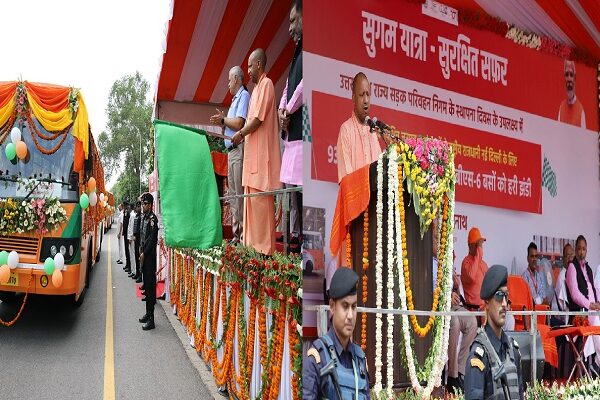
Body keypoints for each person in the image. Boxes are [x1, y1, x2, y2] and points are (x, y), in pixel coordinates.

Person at [232, 48, 282, 256]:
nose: (249, 71)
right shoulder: (255, 91)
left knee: (261, 210)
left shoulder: (267, 85)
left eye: (250, 66)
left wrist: (240, 133)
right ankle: (251, 249)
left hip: (262, 162)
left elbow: (257, 120)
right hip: (252, 163)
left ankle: (264, 252)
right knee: (251, 209)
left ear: (259, 65)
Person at [302, 267, 370, 399]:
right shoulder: (317, 359)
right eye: (345, 306)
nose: (350, 315)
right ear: (332, 306)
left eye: (354, 307)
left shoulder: (360, 360)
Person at [464, 265, 524, 400]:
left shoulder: (513, 350)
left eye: (506, 296)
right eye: (498, 296)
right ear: (486, 302)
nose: (504, 303)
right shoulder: (479, 356)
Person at [210, 66, 250, 245]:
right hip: (232, 152)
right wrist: (224, 122)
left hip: (238, 149)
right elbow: (232, 123)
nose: (227, 84)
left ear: (236, 78)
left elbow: (240, 123)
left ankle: (241, 236)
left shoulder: (244, 96)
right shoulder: (235, 99)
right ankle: (236, 235)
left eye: (228, 80)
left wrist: (224, 120)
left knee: (238, 195)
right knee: (233, 195)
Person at [278, 0, 303, 247]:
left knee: (307, 197)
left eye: (293, 21)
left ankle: (310, 259)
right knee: (293, 193)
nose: (289, 28)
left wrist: (288, 108)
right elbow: (288, 86)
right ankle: (297, 241)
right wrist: (282, 109)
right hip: (292, 133)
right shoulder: (296, 52)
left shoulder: (313, 46)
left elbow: (305, 86)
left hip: (307, 131)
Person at [336, 72, 383, 183]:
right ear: (353, 99)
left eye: (368, 94)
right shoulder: (346, 130)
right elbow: (346, 178)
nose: (366, 100)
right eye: (361, 95)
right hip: (355, 197)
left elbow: (380, 172)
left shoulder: (372, 131)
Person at [447, 269, 478, 394]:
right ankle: (452, 376)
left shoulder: (447, 263)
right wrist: (447, 296)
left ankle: (461, 371)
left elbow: (459, 298)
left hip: (453, 307)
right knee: (454, 322)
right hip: (439, 307)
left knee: (472, 321)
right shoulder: (430, 265)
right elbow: (430, 291)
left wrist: (456, 286)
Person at [138, 193, 159, 331]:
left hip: (149, 257)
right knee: (146, 287)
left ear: (150, 205)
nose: (142, 206)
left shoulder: (153, 219)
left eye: (145, 204)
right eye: (142, 204)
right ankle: (148, 313)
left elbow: (152, 240)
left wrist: (144, 253)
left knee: (151, 288)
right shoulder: (144, 218)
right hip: (144, 255)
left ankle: (151, 319)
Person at [461, 227, 489, 310]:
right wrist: (479, 253)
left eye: (481, 245)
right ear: (470, 246)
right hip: (473, 310)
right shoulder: (466, 262)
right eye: (477, 245)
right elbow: (471, 277)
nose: (480, 248)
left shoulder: (483, 264)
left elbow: (490, 285)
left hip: (485, 308)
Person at [558, 60, 586, 128]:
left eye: (571, 74)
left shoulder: (580, 110)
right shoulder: (561, 108)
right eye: (567, 75)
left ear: (574, 78)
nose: (569, 79)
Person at [132, 201, 142, 283]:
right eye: (137, 206)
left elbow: (141, 229)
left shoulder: (141, 217)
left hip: (139, 239)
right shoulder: (136, 216)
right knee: (136, 256)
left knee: (139, 258)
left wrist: (136, 235)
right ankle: (137, 273)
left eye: (139, 206)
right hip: (135, 239)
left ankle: (140, 275)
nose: (138, 208)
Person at [122, 202, 131, 273]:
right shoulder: (125, 212)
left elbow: (127, 224)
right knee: (126, 249)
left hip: (127, 234)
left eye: (123, 205)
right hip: (125, 234)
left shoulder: (127, 213)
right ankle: (127, 264)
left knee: (128, 251)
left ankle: (129, 265)